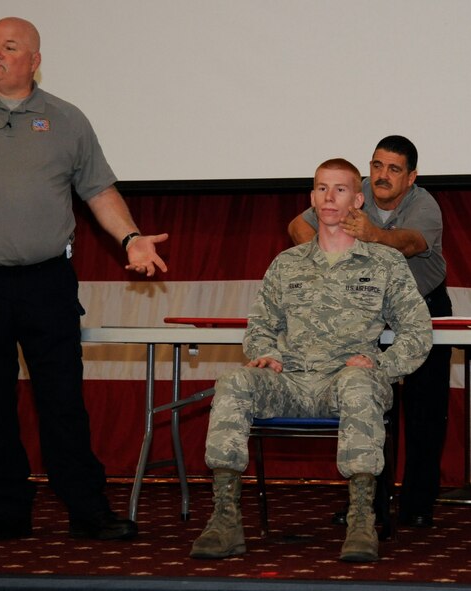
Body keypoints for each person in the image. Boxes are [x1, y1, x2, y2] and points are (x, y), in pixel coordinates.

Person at [0, 17, 168, 543]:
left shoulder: (66, 120)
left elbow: (99, 192)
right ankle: (8, 509)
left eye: (10, 47)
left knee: (62, 399)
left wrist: (131, 237)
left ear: (35, 61)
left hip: (47, 283)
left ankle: (87, 509)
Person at [190, 158, 431, 562]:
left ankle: (360, 520)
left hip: (347, 382)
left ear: (358, 199)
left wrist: (382, 367)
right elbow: (260, 326)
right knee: (234, 382)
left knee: (358, 385)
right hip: (291, 381)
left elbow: (418, 332)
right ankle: (225, 519)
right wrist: (265, 354)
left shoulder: (385, 263)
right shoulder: (288, 263)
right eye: (321, 188)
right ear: (312, 198)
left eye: (340, 189)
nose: (330, 197)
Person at [288, 136, 452, 528]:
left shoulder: (424, 204)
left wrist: (372, 236)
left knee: (424, 411)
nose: (382, 176)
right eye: (377, 166)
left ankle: (417, 504)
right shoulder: (354, 193)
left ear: (411, 177)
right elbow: (297, 226)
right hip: (364, 312)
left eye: (394, 169)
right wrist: (329, 262)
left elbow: (410, 243)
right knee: (366, 406)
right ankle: (369, 504)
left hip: (421, 306)